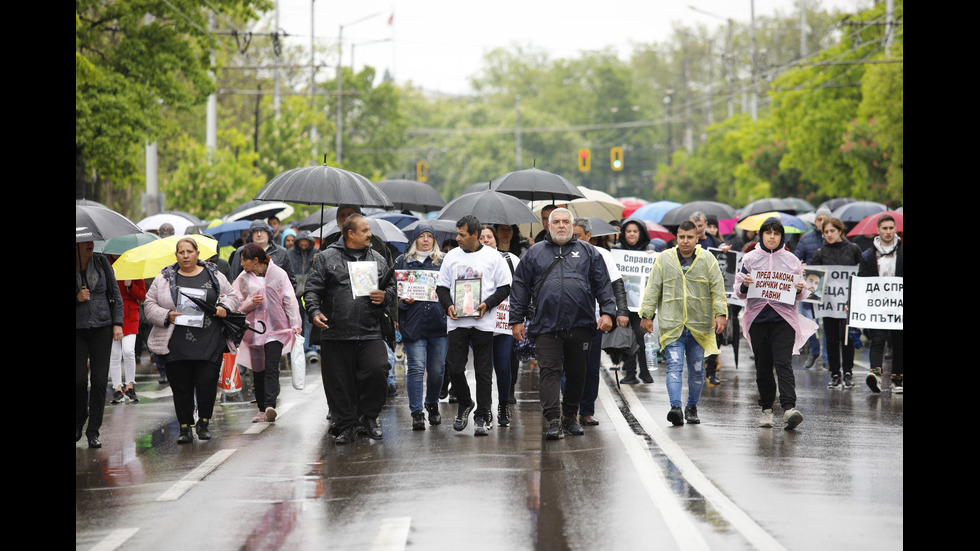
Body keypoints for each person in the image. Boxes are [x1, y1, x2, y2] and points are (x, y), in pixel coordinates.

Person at [510, 208, 616, 440]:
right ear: (548, 226)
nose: (561, 225)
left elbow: (603, 285)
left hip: (580, 324)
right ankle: (553, 420)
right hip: (546, 325)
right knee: (549, 372)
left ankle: (570, 416)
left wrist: (608, 312)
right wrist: (516, 320)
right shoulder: (534, 253)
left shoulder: (589, 252)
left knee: (578, 373)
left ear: (571, 225)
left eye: (565, 222)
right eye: (556, 222)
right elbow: (520, 287)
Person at [304, 214, 396, 444]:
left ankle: (369, 417)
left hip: (370, 329)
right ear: (350, 234)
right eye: (364, 230)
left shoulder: (377, 258)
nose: (369, 234)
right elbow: (312, 289)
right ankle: (346, 424)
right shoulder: (325, 257)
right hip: (336, 331)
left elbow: (393, 288)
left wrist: (385, 296)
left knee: (378, 370)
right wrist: (314, 312)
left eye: (369, 230)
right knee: (338, 382)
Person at [144, 237, 241, 444]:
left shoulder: (214, 275)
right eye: (181, 252)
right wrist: (165, 315)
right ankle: (185, 427)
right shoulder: (164, 279)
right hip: (176, 342)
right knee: (181, 387)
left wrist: (224, 307)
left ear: (198, 254)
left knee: (206, 383)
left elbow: (233, 295)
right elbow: (149, 305)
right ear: (176, 255)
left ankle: (204, 423)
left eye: (189, 251)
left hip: (210, 340)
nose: (186, 255)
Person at [638, 221, 728, 426]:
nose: (685, 241)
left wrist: (721, 313)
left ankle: (692, 407)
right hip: (673, 324)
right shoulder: (664, 259)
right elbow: (653, 288)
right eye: (681, 237)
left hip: (700, 326)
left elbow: (717, 288)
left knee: (697, 369)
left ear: (697, 238)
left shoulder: (708, 260)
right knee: (674, 366)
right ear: (676, 238)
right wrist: (646, 314)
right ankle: (676, 408)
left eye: (689, 237)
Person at [734, 217, 818, 430]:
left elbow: (801, 293)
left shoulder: (792, 260)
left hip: (784, 320)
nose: (772, 237)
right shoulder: (749, 259)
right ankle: (766, 410)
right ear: (761, 235)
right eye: (768, 232)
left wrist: (799, 288)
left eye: (776, 233)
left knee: (783, 363)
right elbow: (739, 293)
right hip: (758, 319)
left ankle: (789, 408)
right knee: (763, 366)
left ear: (782, 236)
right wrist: (744, 285)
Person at [436, 215, 512, 436]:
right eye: (457, 233)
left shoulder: (493, 256)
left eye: (462, 234)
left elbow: (505, 287)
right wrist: (448, 305)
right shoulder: (451, 256)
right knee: (455, 367)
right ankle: (465, 402)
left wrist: (487, 305)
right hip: (457, 321)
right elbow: (441, 287)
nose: (457, 238)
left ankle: (482, 415)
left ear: (475, 235)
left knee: (483, 372)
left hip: (483, 322)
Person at [233, 243, 302, 423]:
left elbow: (289, 300)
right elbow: (235, 304)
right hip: (254, 330)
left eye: (244, 260)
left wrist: (295, 323)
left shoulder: (279, 274)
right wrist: (250, 303)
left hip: (276, 329)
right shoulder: (243, 278)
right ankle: (262, 409)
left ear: (255, 260)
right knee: (258, 371)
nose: (241, 264)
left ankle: (270, 405)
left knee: (271, 367)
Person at [572, 217, 630, 426]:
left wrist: (620, 312)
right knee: (566, 368)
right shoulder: (561, 253)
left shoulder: (603, 255)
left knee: (590, 368)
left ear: (590, 236)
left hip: (594, 321)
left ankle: (586, 410)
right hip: (566, 321)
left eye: (578, 236)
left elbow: (617, 285)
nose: (575, 240)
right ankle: (568, 408)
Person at [395, 224, 448, 430]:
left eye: (430, 236)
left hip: (439, 323)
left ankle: (432, 403)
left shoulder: (443, 262)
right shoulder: (402, 262)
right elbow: (393, 292)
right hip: (413, 323)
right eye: (421, 236)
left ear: (435, 240)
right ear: (414, 239)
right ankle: (417, 412)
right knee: (416, 368)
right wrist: (401, 302)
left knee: (437, 370)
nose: (425, 240)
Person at [76, 241, 124, 448]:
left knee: (98, 381)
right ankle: (79, 418)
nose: (90, 244)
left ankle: (93, 430)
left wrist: (117, 323)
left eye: (91, 240)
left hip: (102, 328)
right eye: (84, 241)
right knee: (78, 382)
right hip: (77, 329)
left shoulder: (102, 262)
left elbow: (115, 294)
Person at [810, 217, 863, 389]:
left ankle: (848, 372)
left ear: (840, 231)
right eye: (826, 232)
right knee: (831, 339)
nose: (829, 235)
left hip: (849, 303)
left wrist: (854, 299)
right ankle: (835, 374)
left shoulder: (854, 249)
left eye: (832, 231)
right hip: (830, 304)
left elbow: (860, 274)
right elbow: (815, 280)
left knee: (847, 336)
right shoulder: (820, 253)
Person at [479, 225, 522, 426]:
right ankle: (484, 409)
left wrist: (520, 315)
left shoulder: (510, 260)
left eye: (490, 237)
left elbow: (522, 288)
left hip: (504, 324)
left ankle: (503, 405)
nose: (486, 240)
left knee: (503, 367)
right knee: (483, 370)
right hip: (479, 324)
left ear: (496, 240)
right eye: (482, 237)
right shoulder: (472, 260)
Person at [858, 214, 903, 393]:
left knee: (899, 341)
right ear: (878, 230)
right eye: (884, 228)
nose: (888, 232)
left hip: (898, 306)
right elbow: (861, 280)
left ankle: (898, 379)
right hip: (876, 307)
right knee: (877, 340)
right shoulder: (868, 255)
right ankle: (875, 374)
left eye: (891, 228)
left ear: (895, 229)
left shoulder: (902, 252)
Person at [612, 218, 657, 384]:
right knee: (626, 339)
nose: (631, 234)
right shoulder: (616, 250)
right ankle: (630, 373)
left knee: (641, 338)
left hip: (643, 306)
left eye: (635, 231)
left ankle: (645, 372)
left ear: (641, 233)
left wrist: (653, 258)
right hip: (623, 305)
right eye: (628, 231)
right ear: (624, 233)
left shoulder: (650, 250)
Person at [795, 207, 831, 369]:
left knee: (829, 322)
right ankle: (814, 351)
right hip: (811, 286)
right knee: (809, 319)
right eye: (819, 219)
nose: (821, 222)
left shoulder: (834, 237)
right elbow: (796, 259)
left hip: (830, 287)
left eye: (825, 219)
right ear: (815, 222)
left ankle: (827, 358)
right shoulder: (806, 239)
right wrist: (800, 265)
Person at [109, 272, 146, 404]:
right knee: (115, 354)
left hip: (130, 315)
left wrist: (130, 285)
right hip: (112, 314)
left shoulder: (133, 267)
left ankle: (130, 385)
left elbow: (142, 296)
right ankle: (117, 388)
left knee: (128, 351)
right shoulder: (108, 265)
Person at [229, 220, 296, 291]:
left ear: (268, 233)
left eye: (262, 231)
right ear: (251, 235)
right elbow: (233, 279)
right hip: (249, 298)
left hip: (276, 298)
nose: (259, 234)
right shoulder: (242, 251)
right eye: (255, 232)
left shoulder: (282, 252)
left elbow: (291, 281)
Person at [287, 230, 320, 362]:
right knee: (296, 321)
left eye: (307, 244)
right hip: (294, 292)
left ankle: (309, 348)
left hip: (310, 290)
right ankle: (296, 347)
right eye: (302, 244)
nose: (304, 247)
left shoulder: (315, 253)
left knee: (308, 320)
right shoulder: (290, 254)